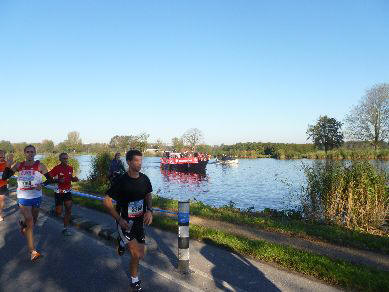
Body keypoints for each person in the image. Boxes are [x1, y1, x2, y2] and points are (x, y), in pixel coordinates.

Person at [103, 149, 153, 292]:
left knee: (141, 254)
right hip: (125, 222)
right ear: (129, 162)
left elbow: (148, 194)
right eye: (136, 161)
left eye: (141, 160)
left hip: (139, 222)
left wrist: (149, 210)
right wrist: (118, 219)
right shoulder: (121, 181)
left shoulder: (145, 179)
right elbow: (106, 201)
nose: (139, 164)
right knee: (136, 253)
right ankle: (134, 280)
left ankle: (121, 242)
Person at [2, 145, 54, 261]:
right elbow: (5, 177)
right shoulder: (19, 165)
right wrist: (8, 165)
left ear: (35, 153)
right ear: (24, 153)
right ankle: (32, 251)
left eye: (32, 152)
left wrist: (43, 184)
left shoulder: (40, 165)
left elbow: (50, 179)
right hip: (23, 197)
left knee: (33, 222)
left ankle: (25, 228)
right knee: (30, 220)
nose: (30, 153)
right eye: (28, 152)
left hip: (36, 197)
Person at [48, 152, 79, 236]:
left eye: (66, 158)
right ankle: (54, 210)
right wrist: (57, 180)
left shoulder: (70, 168)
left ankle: (65, 229)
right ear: (60, 159)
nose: (66, 160)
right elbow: (49, 179)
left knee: (68, 209)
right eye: (63, 158)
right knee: (59, 212)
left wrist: (74, 179)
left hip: (67, 192)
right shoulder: (56, 168)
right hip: (58, 192)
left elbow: (70, 178)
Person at [0, 150, 12, 222]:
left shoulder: (6, 163)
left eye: (3, 156)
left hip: (3, 185)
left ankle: (0, 214)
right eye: (0, 156)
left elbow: (9, 173)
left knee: (1, 200)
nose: (2, 158)